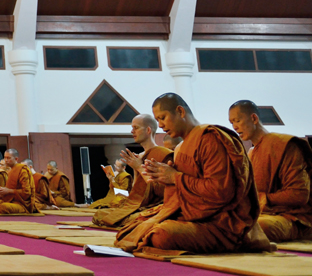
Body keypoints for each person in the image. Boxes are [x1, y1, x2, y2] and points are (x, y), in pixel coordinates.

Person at [115, 93, 273, 254]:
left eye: (163, 117)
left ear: (180, 111)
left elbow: (221, 190)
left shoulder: (211, 139)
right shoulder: (182, 147)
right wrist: (165, 179)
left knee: (159, 235)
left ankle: (237, 243)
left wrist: (174, 177)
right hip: (194, 217)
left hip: (222, 223)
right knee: (131, 229)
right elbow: (178, 193)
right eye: (158, 120)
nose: (161, 125)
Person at [229, 100, 312, 242]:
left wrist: (266, 198)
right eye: (231, 123)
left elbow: (299, 194)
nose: (235, 127)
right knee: (229, 222)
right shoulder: (251, 154)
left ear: (254, 118)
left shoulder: (284, 145)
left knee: (256, 227)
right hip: (266, 213)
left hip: (294, 219)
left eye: (237, 121)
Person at [93, 114, 172, 227]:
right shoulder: (139, 157)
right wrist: (136, 169)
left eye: (136, 128)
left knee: (138, 219)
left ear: (148, 130)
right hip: (138, 206)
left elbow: (162, 191)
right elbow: (136, 191)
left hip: (154, 206)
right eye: (132, 128)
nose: (132, 131)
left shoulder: (162, 154)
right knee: (99, 214)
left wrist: (139, 167)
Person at [0, 148, 39, 215]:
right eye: (5, 158)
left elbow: (26, 192)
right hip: (11, 201)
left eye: (8, 158)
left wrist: (9, 191)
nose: (6, 160)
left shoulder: (22, 170)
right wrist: (2, 192)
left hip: (23, 204)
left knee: (3, 207)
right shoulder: (10, 171)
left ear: (16, 159)